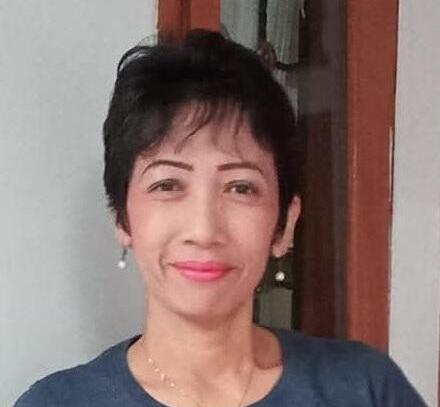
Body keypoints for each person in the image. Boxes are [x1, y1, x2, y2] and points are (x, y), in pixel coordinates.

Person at [15, 30, 426, 407]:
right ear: (122, 218)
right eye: (168, 185)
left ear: (284, 224)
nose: (204, 230)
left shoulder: (366, 389)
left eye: (240, 188)